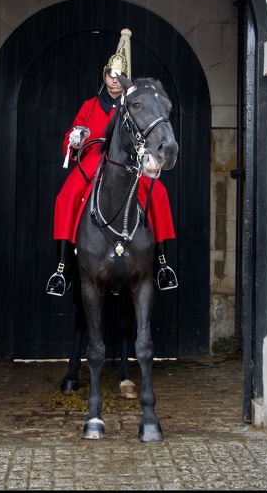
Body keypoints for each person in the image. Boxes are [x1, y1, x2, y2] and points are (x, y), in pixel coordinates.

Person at [46, 29, 178, 296]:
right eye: (110, 74)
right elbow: (72, 138)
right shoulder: (90, 104)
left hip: (128, 161)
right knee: (66, 195)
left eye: (119, 76)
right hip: (96, 158)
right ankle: (62, 267)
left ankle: (162, 262)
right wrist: (75, 138)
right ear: (105, 75)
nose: (114, 80)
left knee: (159, 194)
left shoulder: (135, 102)